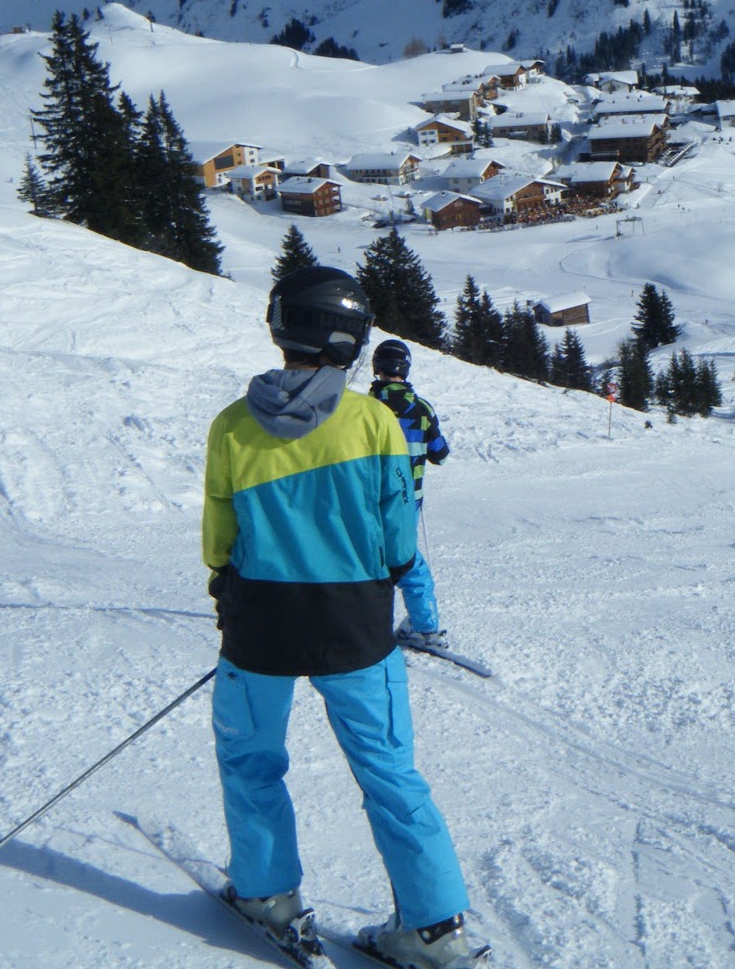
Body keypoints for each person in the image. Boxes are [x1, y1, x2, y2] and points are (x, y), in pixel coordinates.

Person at [202, 267, 488, 969]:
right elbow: (398, 534)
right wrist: (384, 575)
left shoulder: (234, 424)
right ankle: (433, 929)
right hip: (355, 624)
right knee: (389, 772)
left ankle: (268, 894)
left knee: (251, 761)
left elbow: (220, 533)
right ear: (349, 340)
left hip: (260, 623)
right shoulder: (373, 421)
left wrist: (226, 584)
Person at [368, 338, 452, 649]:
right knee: (406, 559)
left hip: (367, 500)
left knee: (369, 560)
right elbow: (440, 454)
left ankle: (366, 625)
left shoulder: (365, 408)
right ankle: (425, 627)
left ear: (377, 367)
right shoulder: (422, 409)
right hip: (407, 501)